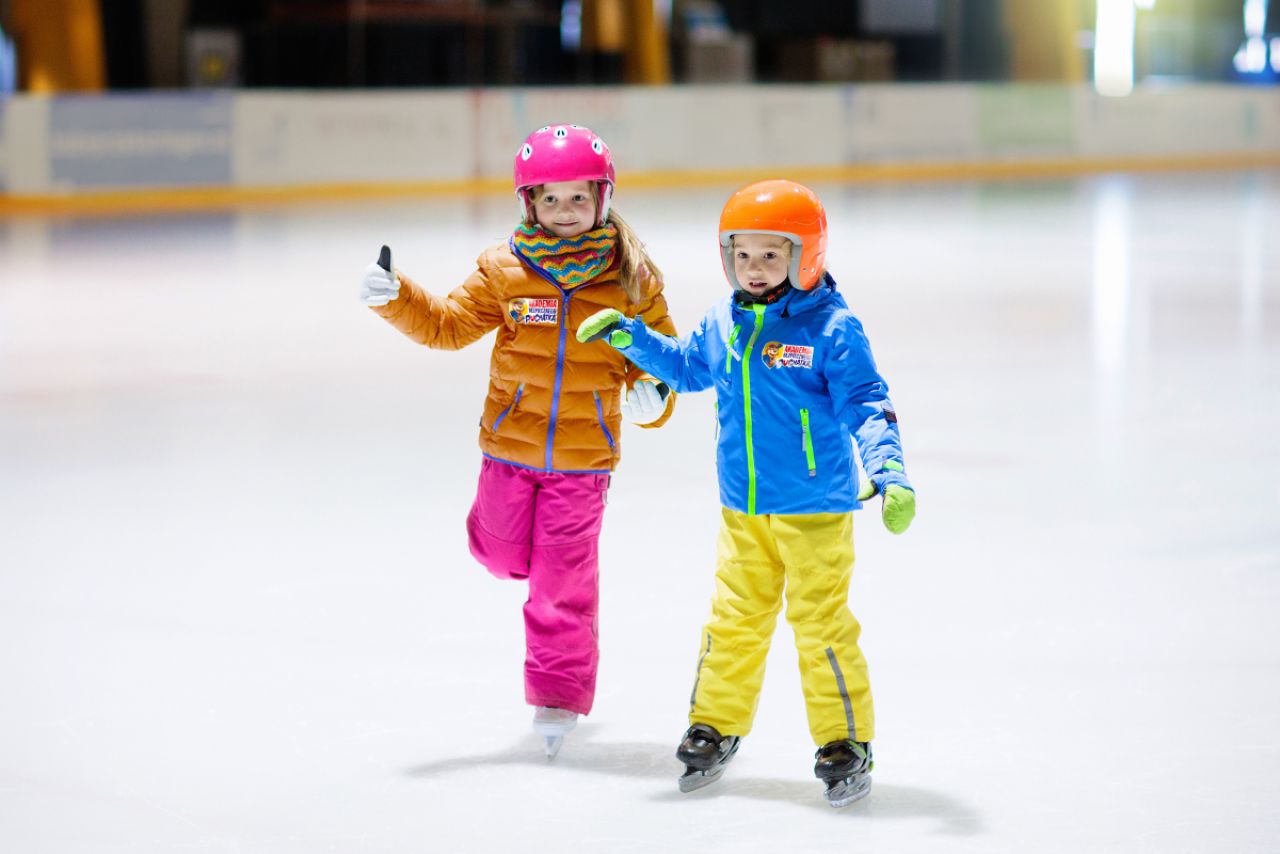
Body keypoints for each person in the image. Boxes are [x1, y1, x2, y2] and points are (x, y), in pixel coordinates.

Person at [575, 179, 915, 806]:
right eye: (742, 254)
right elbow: (685, 368)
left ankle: (845, 741)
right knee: (733, 623)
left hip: (815, 511)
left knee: (821, 628)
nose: (753, 269)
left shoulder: (833, 329)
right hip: (742, 510)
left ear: (805, 255)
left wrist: (889, 472)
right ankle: (715, 724)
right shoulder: (722, 320)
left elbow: (867, 404)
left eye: (771, 254)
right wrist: (632, 337)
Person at [359, 124, 677, 757]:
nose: (565, 212)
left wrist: (656, 399)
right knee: (501, 554)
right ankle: (517, 559)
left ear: (603, 200)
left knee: (562, 583)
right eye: (550, 199)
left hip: (584, 464)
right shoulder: (505, 271)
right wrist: (397, 299)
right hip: (509, 450)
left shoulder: (630, 280)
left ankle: (557, 695)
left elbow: (662, 360)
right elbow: (448, 325)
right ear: (528, 203)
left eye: (578, 199)